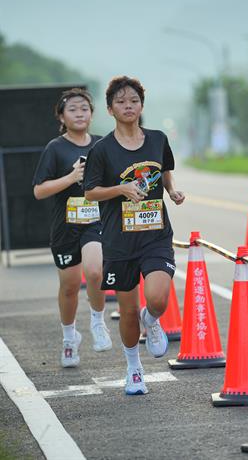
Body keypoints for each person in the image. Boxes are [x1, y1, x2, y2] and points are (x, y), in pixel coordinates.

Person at [84, 76, 185, 395]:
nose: (129, 106)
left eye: (134, 101)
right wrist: (120, 189)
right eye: (121, 102)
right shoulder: (103, 149)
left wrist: (171, 190)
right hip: (119, 239)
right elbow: (90, 193)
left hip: (155, 234)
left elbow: (164, 168)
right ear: (110, 109)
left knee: (157, 298)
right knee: (126, 310)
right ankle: (133, 368)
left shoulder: (157, 138)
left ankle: (151, 320)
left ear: (142, 105)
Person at [32, 88, 112, 368]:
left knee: (95, 271)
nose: (80, 114)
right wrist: (71, 177)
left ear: (92, 114)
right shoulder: (55, 148)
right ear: (62, 116)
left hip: (95, 222)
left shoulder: (103, 144)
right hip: (65, 226)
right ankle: (69, 338)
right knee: (68, 287)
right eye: (73, 109)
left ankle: (98, 321)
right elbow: (40, 191)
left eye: (84, 109)